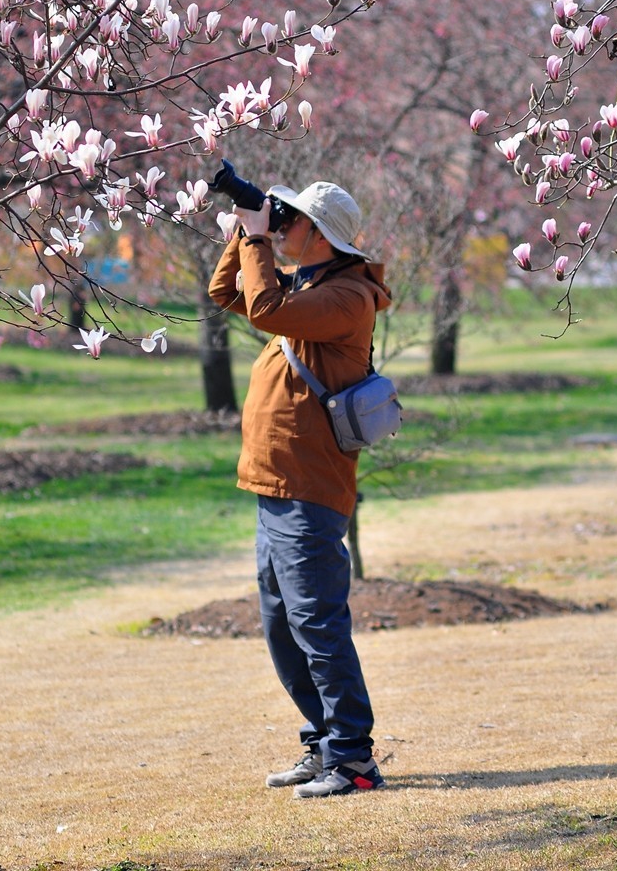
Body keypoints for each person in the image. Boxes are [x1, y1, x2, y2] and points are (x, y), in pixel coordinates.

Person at [208, 179, 392, 799]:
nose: (284, 227)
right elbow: (226, 293)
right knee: (282, 625)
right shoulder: (307, 287)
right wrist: (245, 231)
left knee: (316, 623)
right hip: (275, 484)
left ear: (320, 233)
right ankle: (323, 744)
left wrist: (259, 238)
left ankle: (354, 760)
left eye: (293, 220)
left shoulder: (347, 296)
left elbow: (263, 309)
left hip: (310, 486)